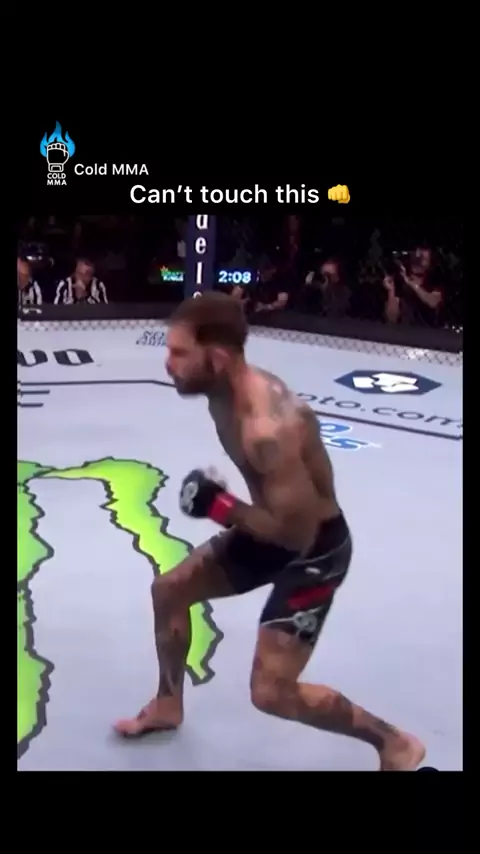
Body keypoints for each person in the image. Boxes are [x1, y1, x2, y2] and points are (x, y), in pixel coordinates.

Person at [115, 293, 426, 771]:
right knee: (169, 591)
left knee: (271, 693)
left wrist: (219, 506)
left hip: (314, 550)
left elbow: (292, 534)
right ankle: (167, 704)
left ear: (218, 358)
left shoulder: (265, 430)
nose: (167, 363)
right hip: (272, 525)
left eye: (179, 353)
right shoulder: (223, 391)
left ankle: (395, 743)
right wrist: (231, 507)